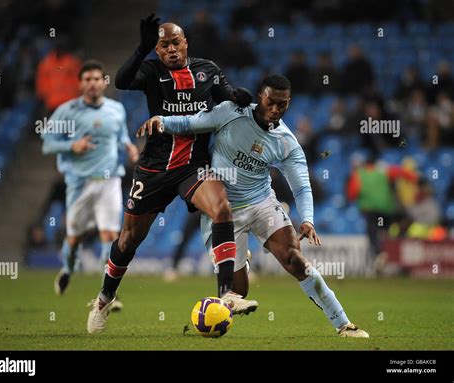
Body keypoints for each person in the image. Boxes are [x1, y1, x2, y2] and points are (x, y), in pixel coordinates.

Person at [139, 74, 370, 338]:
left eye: (282, 105)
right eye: (270, 101)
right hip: (222, 210)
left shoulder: (287, 142)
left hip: (261, 202)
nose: (275, 109)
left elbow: (302, 186)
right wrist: (162, 121)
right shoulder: (231, 113)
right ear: (260, 95)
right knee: (238, 293)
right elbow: (192, 123)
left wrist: (307, 219)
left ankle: (343, 324)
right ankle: (241, 265)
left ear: (289, 103)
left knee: (296, 261)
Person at [87, 15, 256, 334]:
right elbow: (122, 81)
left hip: (194, 167)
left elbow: (228, 96)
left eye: (176, 43)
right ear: (158, 50)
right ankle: (105, 297)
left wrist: (240, 98)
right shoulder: (152, 71)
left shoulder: (207, 69)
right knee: (129, 239)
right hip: (154, 169)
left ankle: (227, 294)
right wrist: (141, 48)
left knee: (222, 210)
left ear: (186, 43)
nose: (171, 50)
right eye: (163, 45)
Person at [42, 60, 139, 312]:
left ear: (104, 83)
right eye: (88, 79)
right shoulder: (67, 111)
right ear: (80, 83)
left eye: (97, 79)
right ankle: (67, 269)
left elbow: (120, 136)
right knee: (74, 239)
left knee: (110, 235)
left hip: (109, 181)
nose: (93, 83)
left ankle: (107, 293)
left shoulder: (116, 109)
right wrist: (70, 146)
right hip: (79, 182)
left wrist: (128, 146)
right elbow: (47, 143)